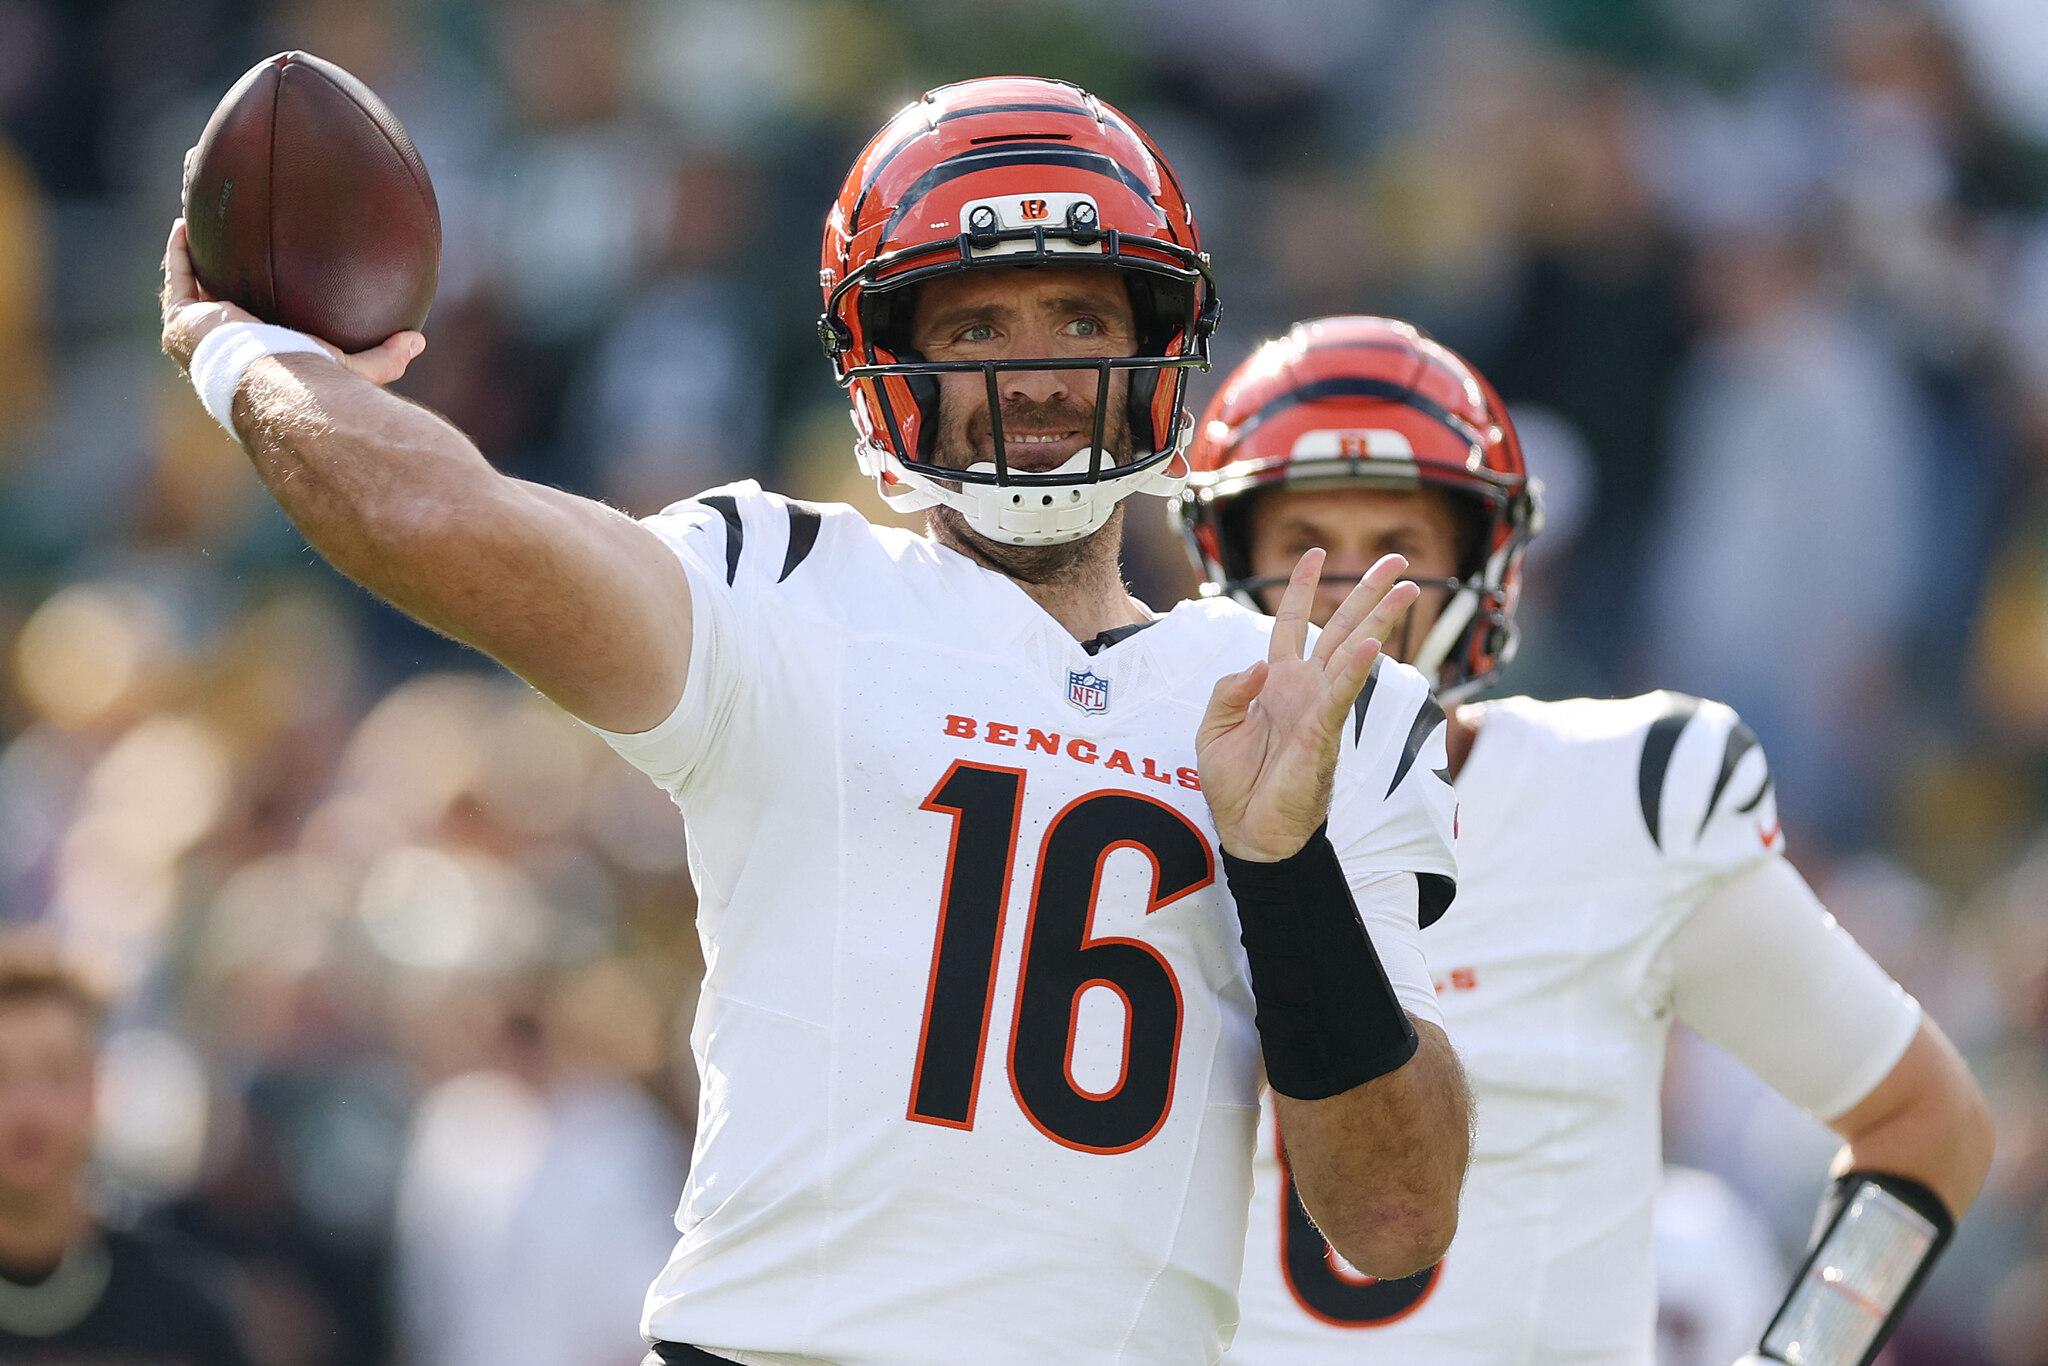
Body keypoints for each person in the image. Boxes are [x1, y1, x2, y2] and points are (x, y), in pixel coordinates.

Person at [159, 79, 1473, 1365]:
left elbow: (1393, 1218)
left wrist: (1282, 865)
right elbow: (443, 521)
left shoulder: (1308, 693)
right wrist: (246, 351)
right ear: (884, 361)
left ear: (1164, 341)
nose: (1040, 369)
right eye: (976, 328)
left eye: (1079, 311)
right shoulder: (783, 584)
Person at [1179, 315, 1995, 1365]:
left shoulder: (1624, 799)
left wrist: (1794, 1356)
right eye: (1300, 548)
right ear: (1222, 558)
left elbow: (1924, 1122)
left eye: (1395, 551)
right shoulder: (1135, 802)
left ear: (1479, 571)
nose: (1345, 598)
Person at [0, 943, 254, 1363]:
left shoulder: (185, 1306)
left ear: (97, 1089)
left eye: (56, 1073)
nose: (28, 1109)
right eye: (1, 1077)